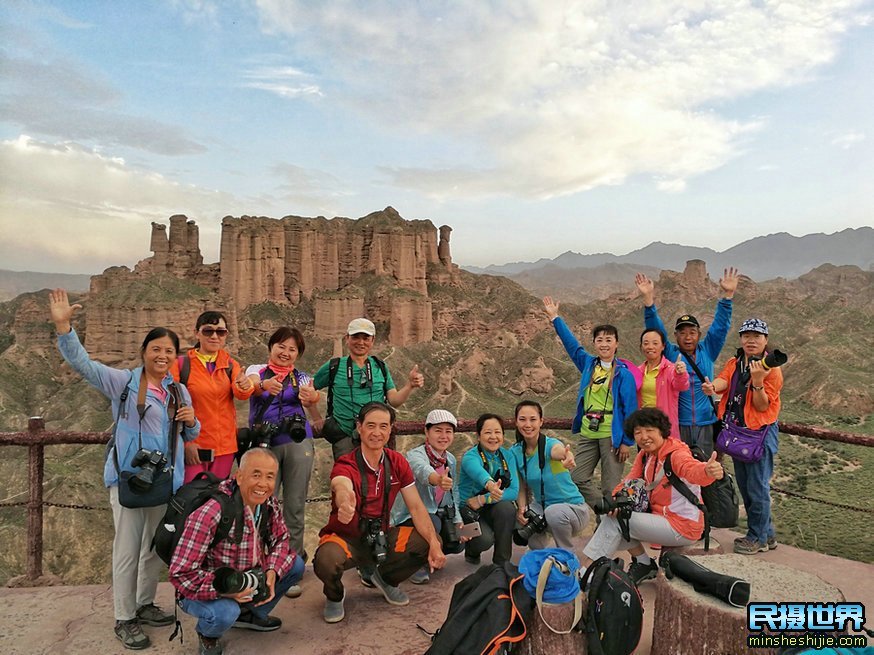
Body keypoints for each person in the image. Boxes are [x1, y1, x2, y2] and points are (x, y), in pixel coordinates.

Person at [49, 289, 200, 651]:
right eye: (156, 349)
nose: (162, 356)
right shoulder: (125, 383)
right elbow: (85, 366)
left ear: (175, 357)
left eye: (169, 351)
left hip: (165, 482)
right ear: (144, 352)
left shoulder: (178, 391)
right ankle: (124, 617)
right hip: (130, 480)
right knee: (127, 551)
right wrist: (64, 328)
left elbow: (190, 434)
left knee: (154, 549)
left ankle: (145, 604)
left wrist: (192, 421)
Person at [313, 402, 446, 623]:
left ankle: (385, 579)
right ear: (359, 427)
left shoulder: (397, 462)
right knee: (326, 559)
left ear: (391, 429)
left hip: (381, 536)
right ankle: (335, 595)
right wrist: (345, 501)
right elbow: (341, 484)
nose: (377, 432)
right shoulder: (347, 463)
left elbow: (416, 507)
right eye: (371, 425)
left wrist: (433, 543)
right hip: (347, 538)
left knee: (429, 541)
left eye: (383, 426)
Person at [170, 448, 305, 655]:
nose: (263, 484)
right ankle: (208, 634)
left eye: (270, 477)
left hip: (245, 577)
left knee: (295, 565)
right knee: (225, 612)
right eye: (256, 475)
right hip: (205, 587)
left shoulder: (268, 503)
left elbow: (281, 540)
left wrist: (272, 571)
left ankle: (248, 616)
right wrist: (225, 589)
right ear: (239, 477)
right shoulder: (211, 513)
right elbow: (180, 573)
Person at [580, 408, 724, 584]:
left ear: (661, 431)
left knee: (615, 523)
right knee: (610, 517)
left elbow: (692, 470)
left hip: (683, 525)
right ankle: (644, 563)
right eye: (638, 432)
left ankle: (587, 573)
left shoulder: (677, 454)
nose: (644, 437)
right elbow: (629, 481)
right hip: (661, 518)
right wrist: (614, 500)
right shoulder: (645, 455)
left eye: (649, 430)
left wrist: (707, 471)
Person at [543, 297, 639, 513]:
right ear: (594, 343)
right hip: (589, 431)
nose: (604, 344)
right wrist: (555, 317)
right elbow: (572, 345)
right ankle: (605, 509)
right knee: (577, 477)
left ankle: (607, 525)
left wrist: (627, 441)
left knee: (610, 486)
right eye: (600, 340)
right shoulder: (589, 365)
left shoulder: (623, 374)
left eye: (609, 340)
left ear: (617, 344)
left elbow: (631, 410)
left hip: (611, 435)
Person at [245, 327, 321, 597]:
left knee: (294, 505)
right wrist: (262, 386)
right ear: (271, 347)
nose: (286, 353)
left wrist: (313, 399)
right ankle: (258, 564)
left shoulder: (301, 377)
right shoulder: (257, 370)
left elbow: (313, 398)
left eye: (292, 349)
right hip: (265, 445)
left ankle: (290, 566)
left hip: (298, 442)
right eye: (281, 346)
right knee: (261, 505)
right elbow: (248, 386)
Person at [635, 268, 739, 457]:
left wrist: (728, 296)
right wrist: (648, 299)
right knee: (678, 466)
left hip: (705, 423)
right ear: (675, 336)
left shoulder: (708, 351)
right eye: (682, 333)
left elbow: (720, 327)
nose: (688, 337)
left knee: (703, 467)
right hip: (678, 424)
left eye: (692, 333)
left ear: (699, 334)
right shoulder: (671, 353)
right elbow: (655, 330)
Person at [703, 318, 783, 555]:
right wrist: (713, 387)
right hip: (738, 432)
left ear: (765, 340)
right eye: (746, 336)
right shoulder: (736, 362)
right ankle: (767, 534)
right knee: (747, 487)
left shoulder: (772, 370)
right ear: (740, 339)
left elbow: (761, 406)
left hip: (760, 434)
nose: (751, 340)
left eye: (756, 336)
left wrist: (757, 381)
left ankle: (757, 538)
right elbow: (724, 379)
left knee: (757, 488)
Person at [313, 318, 425, 460]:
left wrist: (410, 386)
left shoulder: (380, 366)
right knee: (346, 473)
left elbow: (394, 400)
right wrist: (316, 417)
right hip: (345, 436)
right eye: (355, 337)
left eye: (366, 338)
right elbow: (308, 389)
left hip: (375, 436)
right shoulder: (334, 366)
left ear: (372, 341)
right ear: (347, 338)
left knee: (378, 473)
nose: (361, 342)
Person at [172, 311, 254, 484]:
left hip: (225, 448)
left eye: (220, 332)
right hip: (195, 447)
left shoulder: (230, 365)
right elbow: (171, 406)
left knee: (217, 496)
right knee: (192, 495)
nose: (215, 336)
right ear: (197, 333)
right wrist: (186, 444)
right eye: (208, 331)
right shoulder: (181, 365)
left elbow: (241, 393)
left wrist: (245, 386)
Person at [390, 408, 466, 585]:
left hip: (435, 513)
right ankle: (416, 564)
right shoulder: (415, 455)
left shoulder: (450, 459)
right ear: (427, 431)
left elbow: (453, 492)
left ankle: (430, 555)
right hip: (409, 516)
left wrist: (457, 519)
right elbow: (423, 471)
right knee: (434, 522)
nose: (443, 436)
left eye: (448, 431)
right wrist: (438, 479)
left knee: (457, 541)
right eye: (438, 430)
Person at [511, 400, 588, 550]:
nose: (528, 424)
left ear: (541, 421)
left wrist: (567, 456)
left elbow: (559, 451)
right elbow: (520, 487)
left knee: (553, 513)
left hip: (573, 510)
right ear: (516, 422)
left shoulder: (550, 444)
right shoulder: (515, 452)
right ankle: (537, 554)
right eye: (523, 419)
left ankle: (566, 555)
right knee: (525, 515)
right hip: (542, 507)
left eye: (533, 419)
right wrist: (521, 509)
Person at [457, 413, 519, 566]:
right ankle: (471, 550)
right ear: (478, 436)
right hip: (468, 510)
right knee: (484, 540)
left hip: (487, 505)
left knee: (507, 509)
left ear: (503, 435)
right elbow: (480, 474)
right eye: (487, 432)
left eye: (497, 432)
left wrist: (483, 499)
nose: (493, 437)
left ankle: (502, 564)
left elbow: (514, 491)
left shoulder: (507, 456)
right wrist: (491, 486)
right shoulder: (470, 457)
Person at [637, 328, 690, 439]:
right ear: (641, 346)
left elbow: (682, 386)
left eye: (655, 343)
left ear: (663, 346)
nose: (650, 347)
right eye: (646, 343)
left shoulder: (671, 369)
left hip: (664, 428)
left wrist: (681, 374)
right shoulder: (637, 371)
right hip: (643, 426)